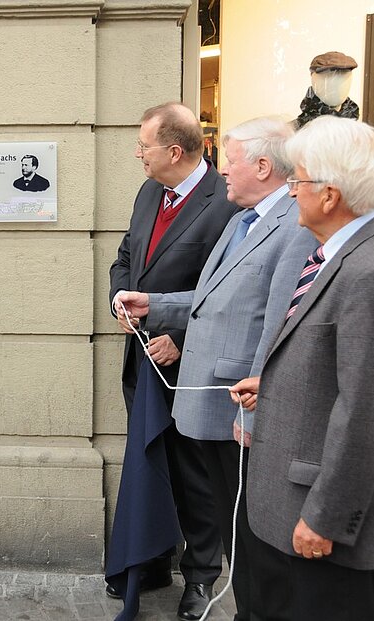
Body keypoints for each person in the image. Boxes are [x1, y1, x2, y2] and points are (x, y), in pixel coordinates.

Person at [115, 116, 317, 620]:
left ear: (264, 166)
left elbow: (279, 326)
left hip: (236, 402)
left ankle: (237, 597)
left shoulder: (292, 227)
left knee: (241, 522)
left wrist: (257, 395)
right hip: (201, 398)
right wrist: (152, 305)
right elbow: (211, 299)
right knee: (229, 520)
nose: (222, 169)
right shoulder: (241, 219)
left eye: (230, 159)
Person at [232, 116, 374, 620]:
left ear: (329, 194)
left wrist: (325, 519)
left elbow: (368, 414)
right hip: (291, 506)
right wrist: (277, 385)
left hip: (320, 521)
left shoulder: (372, 272)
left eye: (296, 181)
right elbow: (340, 367)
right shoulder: (347, 253)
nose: (291, 191)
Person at [108, 101, 237, 620]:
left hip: (193, 369)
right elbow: (126, 255)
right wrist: (119, 297)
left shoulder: (227, 203)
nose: (138, 153)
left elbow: (228, 291)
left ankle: (202, 575)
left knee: (195, 475)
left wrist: (182, 339)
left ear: (175, 150)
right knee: (151, 461)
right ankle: (154, 555)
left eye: (145, 145)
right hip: (142, 358)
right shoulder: (149, 191)